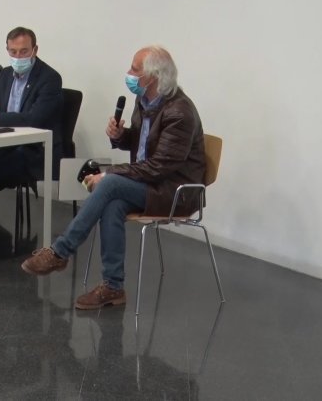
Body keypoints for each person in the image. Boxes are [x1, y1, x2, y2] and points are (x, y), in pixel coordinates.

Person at [21, 46, 205, 310]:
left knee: (109, 183)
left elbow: (160, 167)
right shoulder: (145, 100)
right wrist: (120, 136)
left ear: (153, 76)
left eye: (135, 69)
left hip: (174, 192)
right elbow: (144, 145)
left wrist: (109, 174)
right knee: (113, 204)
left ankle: (60, 251)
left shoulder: (179, 112)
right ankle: (113, 287)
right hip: (150, 184)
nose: (129, 73)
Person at [0, 27, 63, 255]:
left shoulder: (50, 78)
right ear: (7, 50)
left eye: (23, 51)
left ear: (35, 50)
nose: (18, 57)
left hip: (34, 150)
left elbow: (34, 119)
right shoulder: (5, 74)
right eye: (13, 52)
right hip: (5, 143)